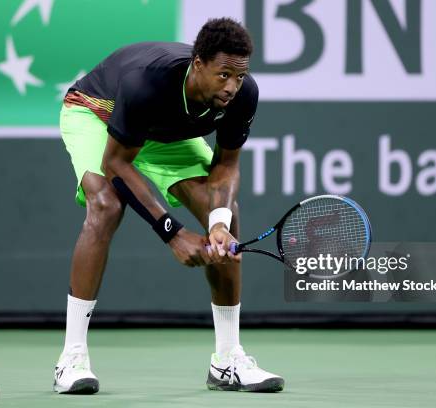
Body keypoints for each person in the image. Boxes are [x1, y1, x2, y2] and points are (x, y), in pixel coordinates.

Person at [53, 18, 284, 394]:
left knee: (224, 212)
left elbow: (225, 167)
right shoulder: (147, 83)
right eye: (223, 75)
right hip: (99, 113)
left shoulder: (243, 94)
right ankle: (71, 359)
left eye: (239, 77)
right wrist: (172, 233)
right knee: (106, 205)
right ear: (198, 65)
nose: (232, 87)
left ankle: (227, 360)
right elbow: (116, 163)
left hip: (165, 133)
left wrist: (220, 223)